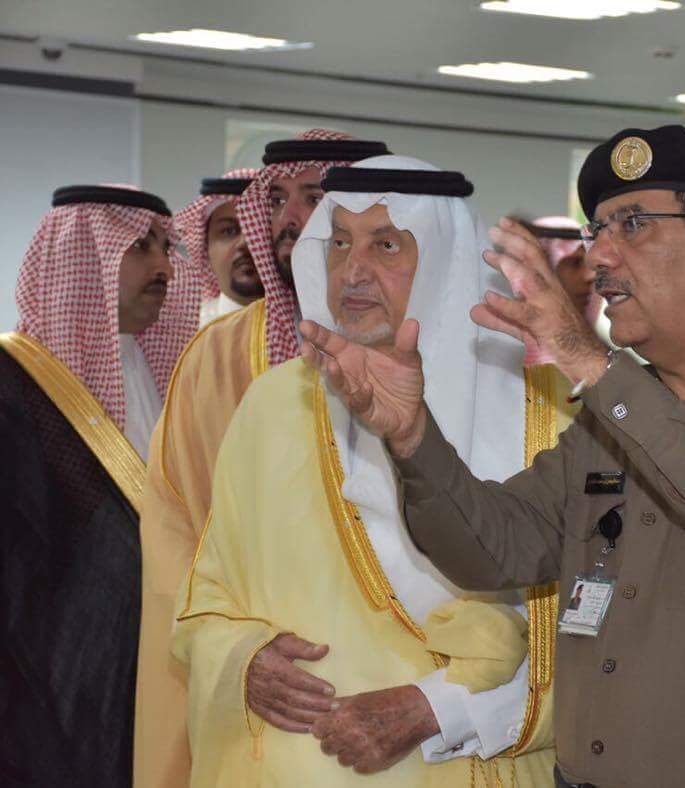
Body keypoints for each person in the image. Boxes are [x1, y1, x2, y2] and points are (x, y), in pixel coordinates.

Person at [300, 125, 685, 787]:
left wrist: (595, 366)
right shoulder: (620, 408)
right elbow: (494, 550)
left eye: (633, 225)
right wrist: (414, 438)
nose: (600, 258)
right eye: (598, 230)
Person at [173, 155, 554, 786]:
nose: (352, 271)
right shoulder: (272, 404)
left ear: (443, 257)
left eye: (386, 245)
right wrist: (243, 659)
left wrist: (439, 708)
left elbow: (604, 635)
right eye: (339, 242)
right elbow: (206, 596)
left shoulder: (543, 410)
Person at [134, 130, 390, 788]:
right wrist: (238, 652)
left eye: (313, 196)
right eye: (274, 199)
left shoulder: (438, 355)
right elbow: (173, 527)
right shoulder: (216, 355)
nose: (287, 219)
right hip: (250, 693)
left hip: (392, 693)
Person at [0, 184, 200, 786]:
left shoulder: (166, 374)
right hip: (46, 690)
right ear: (81, 258)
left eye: (165, 247)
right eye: (139, 247)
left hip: (146, 667)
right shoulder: (13, 388)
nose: (164, 267)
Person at [521, 215, 602, 436]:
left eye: (591, 265)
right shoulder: (504, 358)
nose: (590, 276)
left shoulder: (605, 362)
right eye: (575, 263)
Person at [173, 169, 262, 326]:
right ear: (205, 249)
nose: (245, 242)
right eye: (229, 231)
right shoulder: (188, 333)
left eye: (257, 228)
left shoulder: (305, 328)